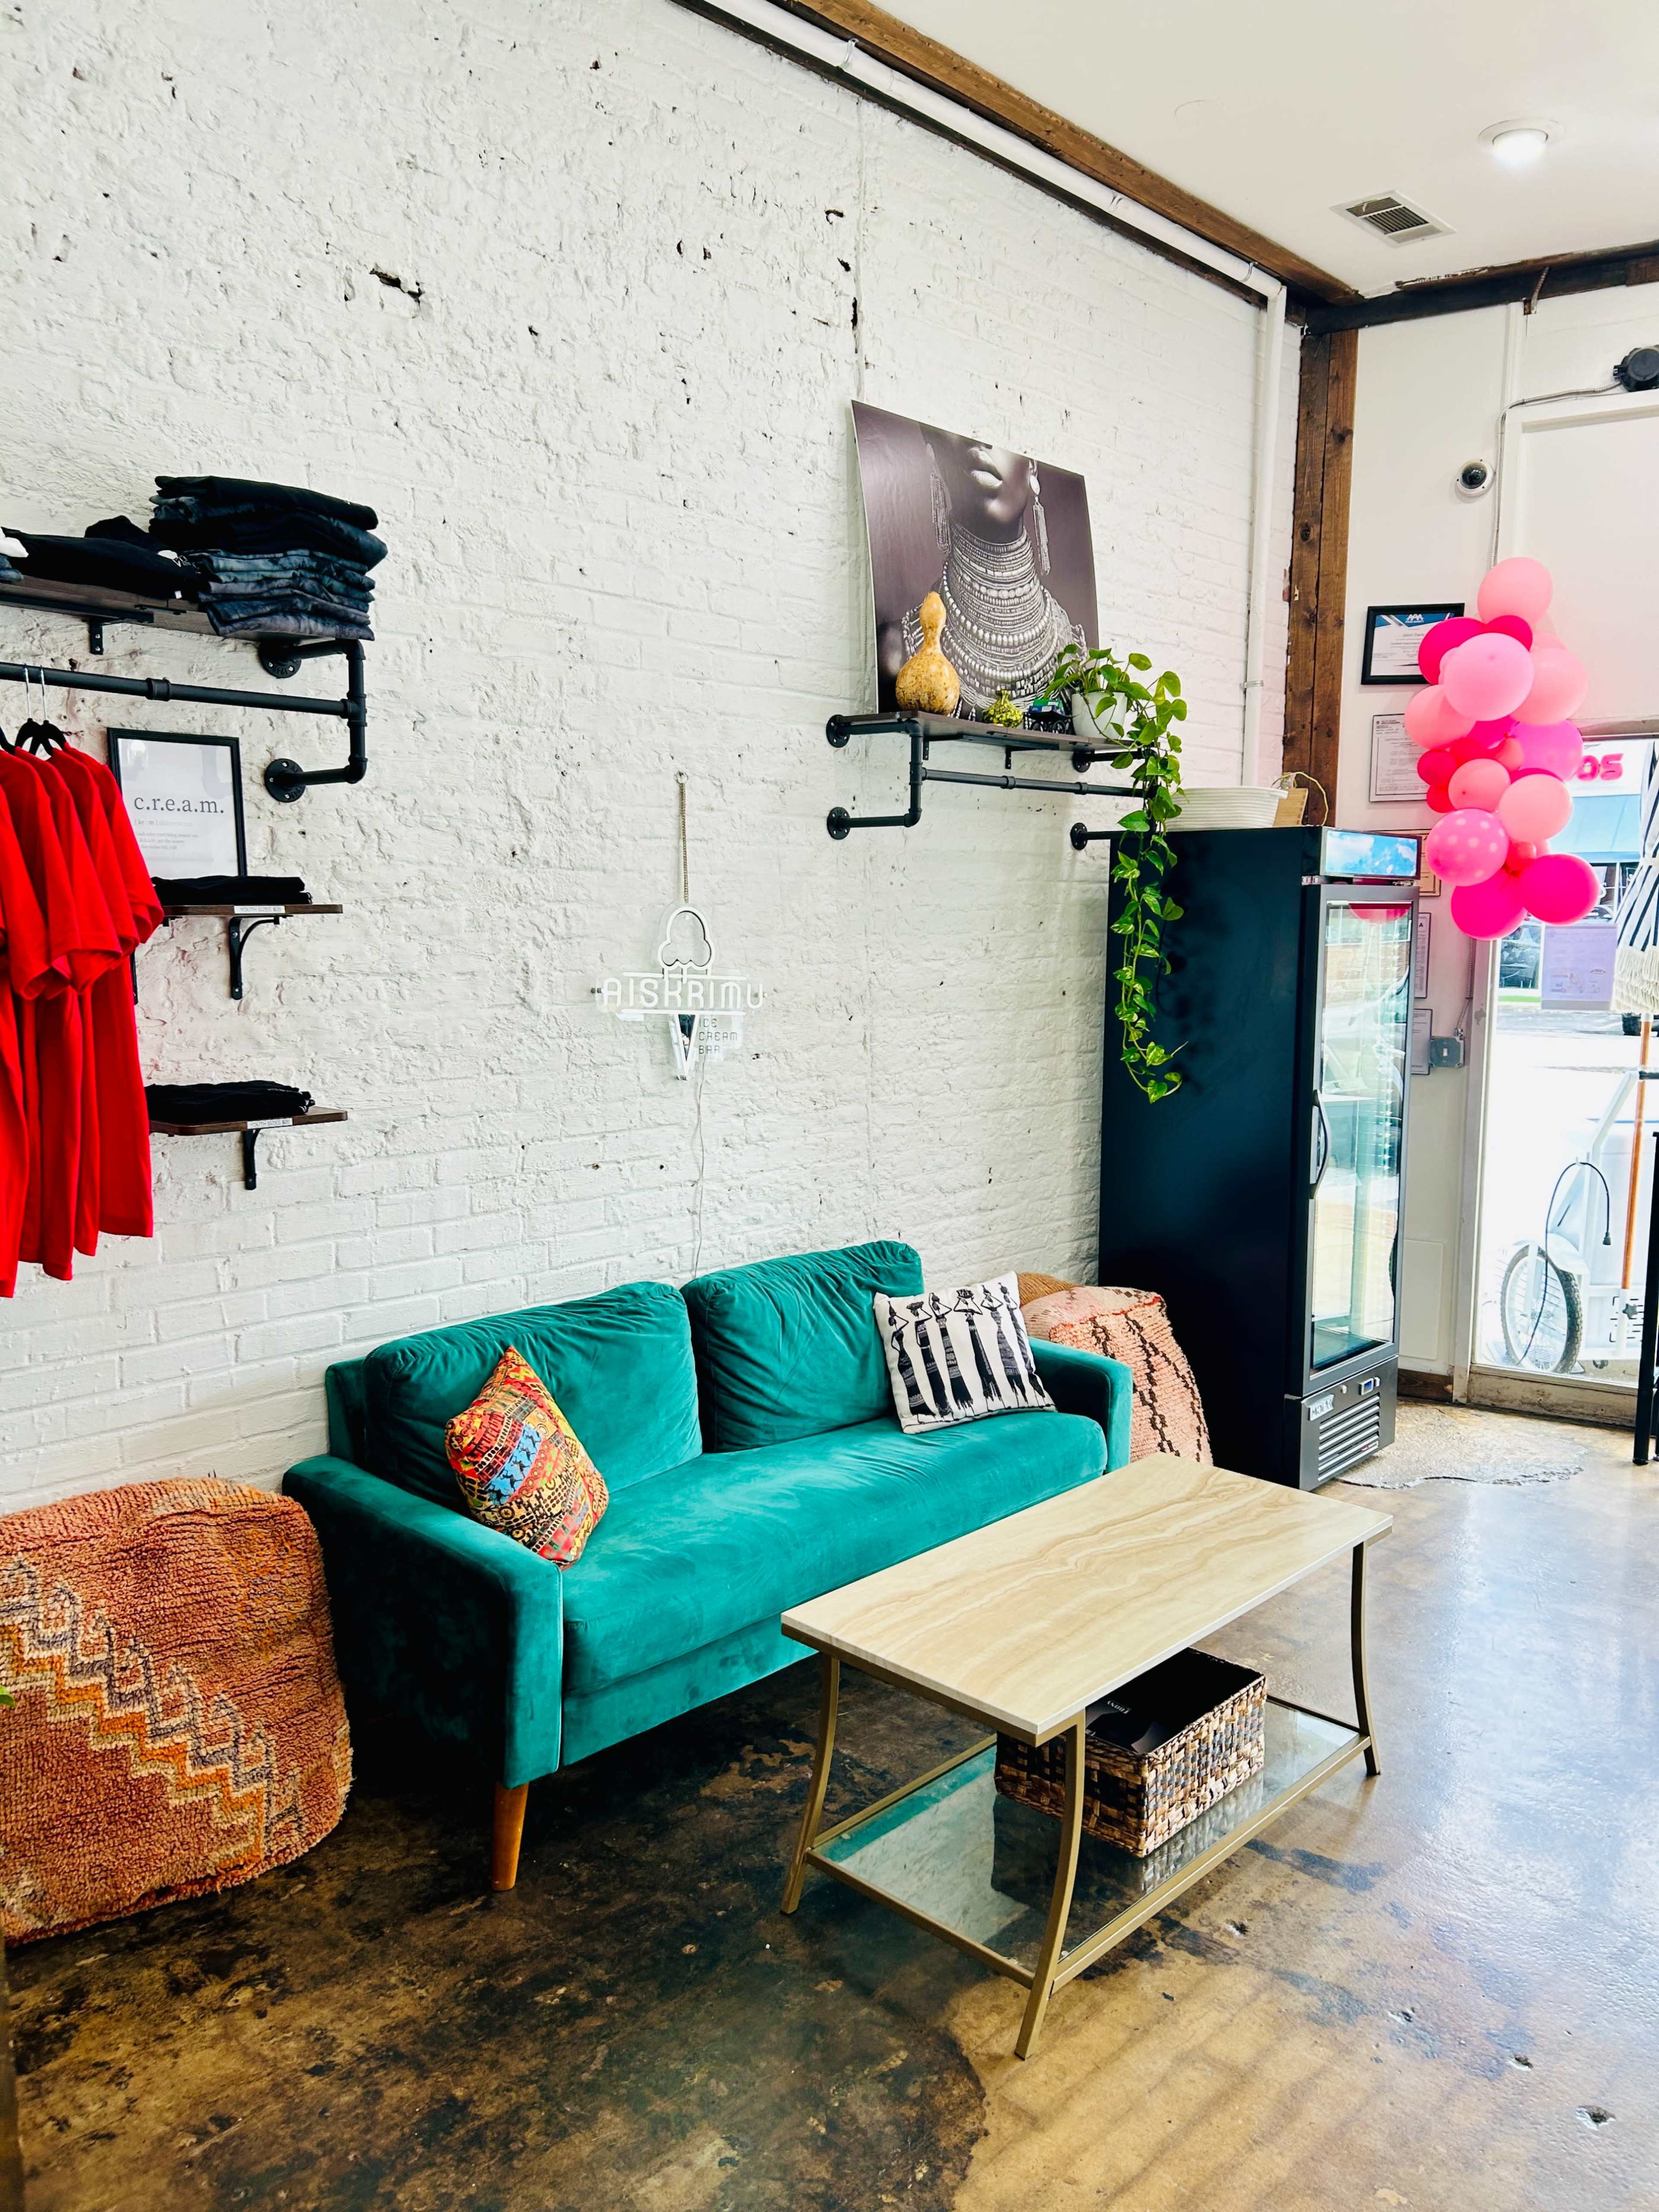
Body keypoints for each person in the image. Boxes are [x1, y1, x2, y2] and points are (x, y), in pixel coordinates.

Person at [879, 427, 1086, 717]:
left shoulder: (1080, 662)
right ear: (933, 452)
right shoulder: (894, 654)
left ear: (1033, 466)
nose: (979, 439)